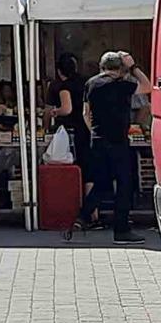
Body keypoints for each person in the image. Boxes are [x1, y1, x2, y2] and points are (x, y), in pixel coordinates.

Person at [76, 51, 151, 245]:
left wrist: (94, 131)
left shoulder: (91, 83)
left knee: (101, 182)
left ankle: (84, 215)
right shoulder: (122, 84)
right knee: (124, 184)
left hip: (98, 139)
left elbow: (86, 112)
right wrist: (133, 66)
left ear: (102, 67)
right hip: (118, 141)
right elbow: (148, 86)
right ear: (120, 69)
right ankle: (122, 230)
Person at [47, 53, 95, 222]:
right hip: (90, 129)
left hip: (74, 131)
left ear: (60, 71)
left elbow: (67, 109)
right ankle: (93, 214)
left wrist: (54, 111)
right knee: (90, 170)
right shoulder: (87, 83)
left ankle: (83, 210)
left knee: (78, 169)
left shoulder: (64, 86)